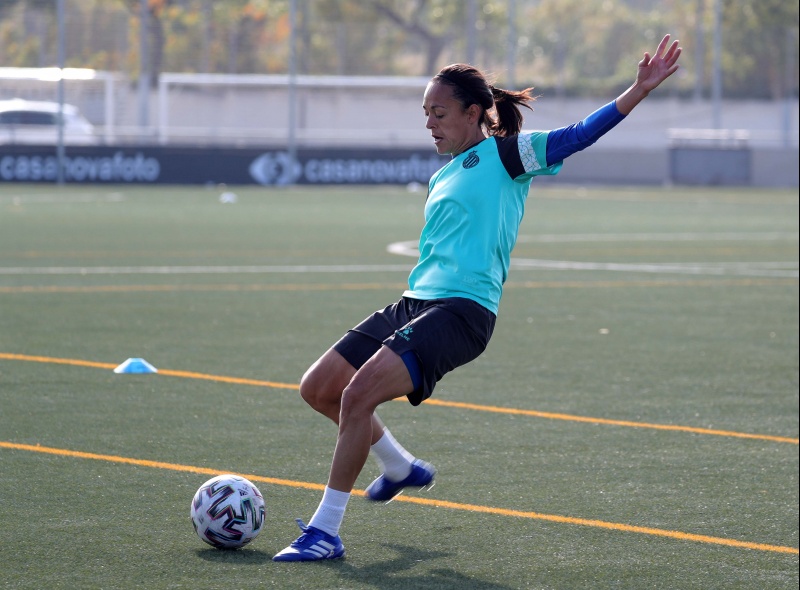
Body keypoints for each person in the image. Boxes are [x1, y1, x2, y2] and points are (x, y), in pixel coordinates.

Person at [273, 34, 682, 562]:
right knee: (321, 388)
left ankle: (325, 531)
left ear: (474, 113)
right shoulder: (445, 170)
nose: (429, 124)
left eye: (438, 112)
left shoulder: (510, 154)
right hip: (414, 302)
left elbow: (580, 134)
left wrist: (637, 90)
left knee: (357, 397)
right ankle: (398, 466)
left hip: (462, 313)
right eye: (425, 113)